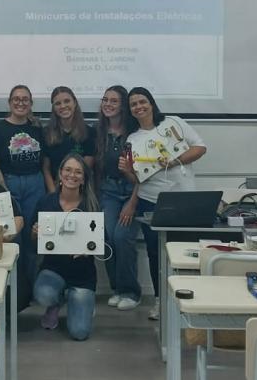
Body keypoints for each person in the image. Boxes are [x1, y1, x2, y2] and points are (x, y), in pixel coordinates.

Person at [119, 87, 206, 320]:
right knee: (155, 252)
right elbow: (137, 179)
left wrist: (175, 161)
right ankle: (160, 301)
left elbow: (200, 148)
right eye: (133, 104)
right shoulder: (132, 139)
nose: (139, 107)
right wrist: (127, 171)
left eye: (142, 101)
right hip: (150, 201)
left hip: (183, 197)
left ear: (151, 103)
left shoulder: (173, 122)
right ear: (130, 110)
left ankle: (189, 300)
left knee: (186, 252)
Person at [32, 153, 100, 341]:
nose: (72, 175)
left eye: (78, 172)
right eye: (68, 170)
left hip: (83, 276)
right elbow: (32, 241)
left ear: (84, 179)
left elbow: (104, 241)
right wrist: (35, 233)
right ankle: (56, 302)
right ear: (60, 174)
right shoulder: (46, 202)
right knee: (44, 294)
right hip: (53, 269)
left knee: (80, 333)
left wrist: (89, 248)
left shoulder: (91, 204)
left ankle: (80, 302)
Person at [0, 85, 45, 285]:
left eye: (25, 99)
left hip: (35, 183)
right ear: (10, 103)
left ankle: (31, 286)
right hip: (9, 182)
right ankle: (16, 287)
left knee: (33, 235)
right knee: (13, 236)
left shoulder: (37, 128)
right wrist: (3, 189)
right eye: (16, 99)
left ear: (31, 103)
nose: (20, 103)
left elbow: (44, 160)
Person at [95, 85, 140, 310]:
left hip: (133, 192)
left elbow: (144, 175)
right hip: (108, 191)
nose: (108, 104)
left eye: (114, 101)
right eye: (105, 100)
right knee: (107, 237)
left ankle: (131, 292)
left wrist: (132, 203)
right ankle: (117, 288)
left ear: (123, 106)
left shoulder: (136, 134)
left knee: (122, 237)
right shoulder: (99, 132)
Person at [42, 86, 95, 192]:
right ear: (53, 108)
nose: (63, 106)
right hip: (54, 188)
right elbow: (46, 169)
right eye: (58, 103)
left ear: (74, 103)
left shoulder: (89, 132)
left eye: (67, 101)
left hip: (79, 189)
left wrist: (72, 192)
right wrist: (54, 194)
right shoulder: (46, 133)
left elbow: (86, 168)